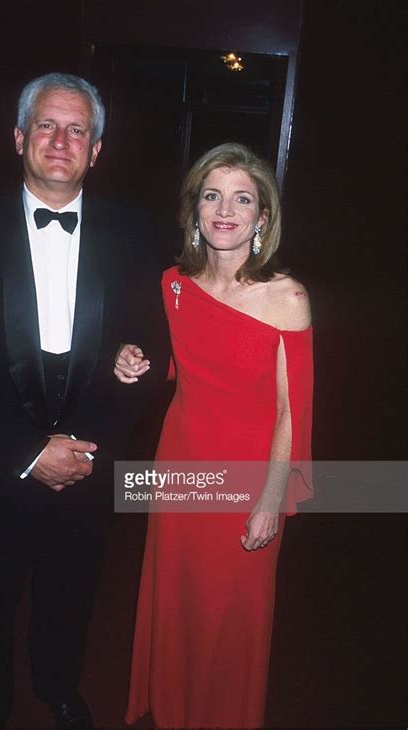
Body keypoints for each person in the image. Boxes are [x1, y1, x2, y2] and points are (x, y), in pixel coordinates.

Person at [0, 72, 166, 729]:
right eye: (46, 125)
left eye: (77, 130)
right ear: (18, 137)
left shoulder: (133, 232)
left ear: (96, 150)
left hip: (89, 460)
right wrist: (29, 451)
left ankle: (58, 684)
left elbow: (147, 351)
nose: (60, 140)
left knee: (72, 593)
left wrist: (87, 446)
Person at [116, 143, 313, 728]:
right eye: (211, 195)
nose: (225, 209)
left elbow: (291, 411)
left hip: (249, 479)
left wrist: (271, 503)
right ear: (194, 210)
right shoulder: (173, 284)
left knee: (231, 614)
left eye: (242, 198)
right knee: (176, 604)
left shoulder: (287, 297)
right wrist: (128, 359)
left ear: (263, 218)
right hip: (179, 465)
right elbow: (175, 365)